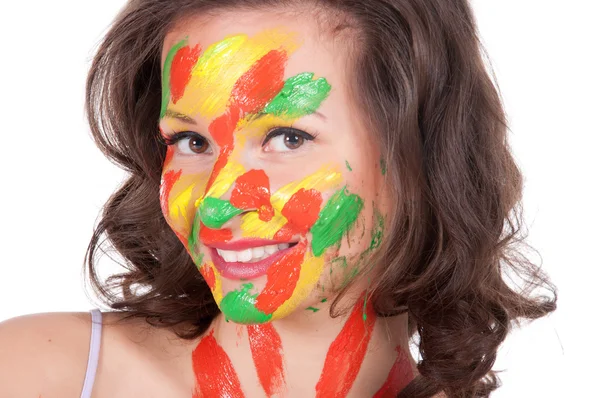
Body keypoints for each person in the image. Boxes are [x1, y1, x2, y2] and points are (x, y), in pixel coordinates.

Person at [0, 0, 557, 397]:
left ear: (425, 156)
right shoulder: (39, 372)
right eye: (192, 141)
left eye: (287, 137)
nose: (216, 202)